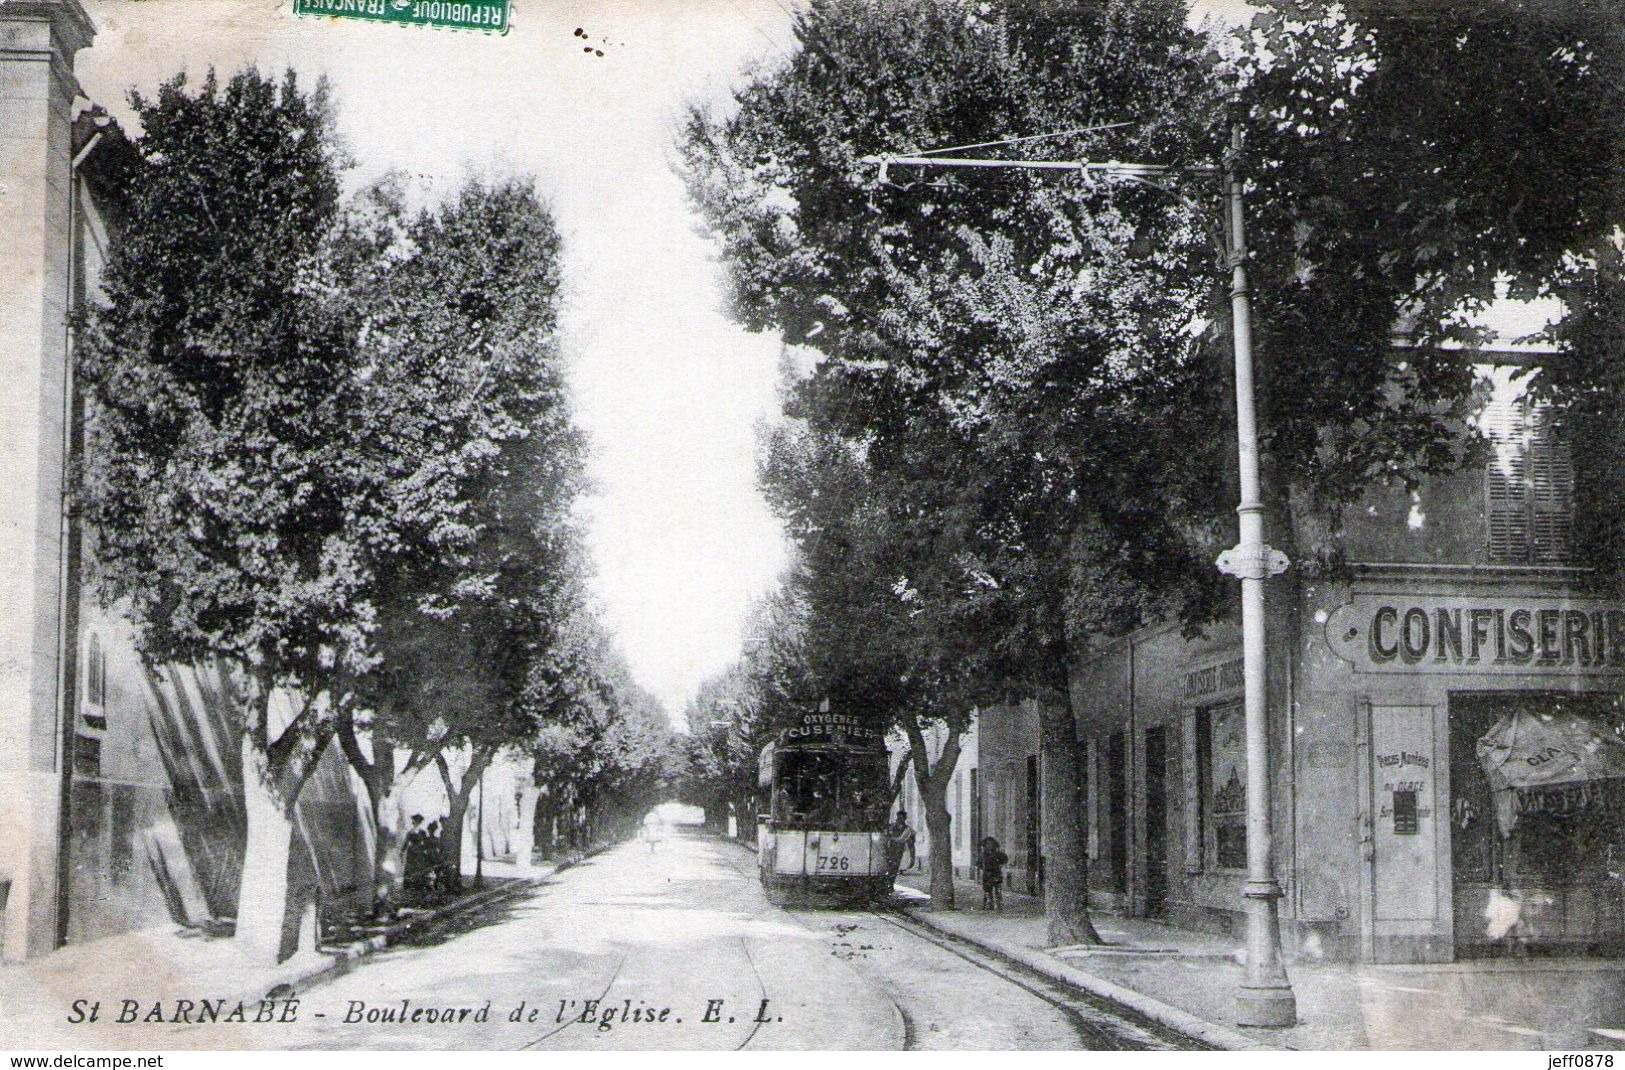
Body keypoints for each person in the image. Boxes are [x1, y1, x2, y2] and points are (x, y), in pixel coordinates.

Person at [979, 836, 1009, 912]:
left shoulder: (991, 855)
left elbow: (1005, 859)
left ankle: (992, 905)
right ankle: (994, 905)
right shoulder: (986, 855)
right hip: (992, 874)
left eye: (990, 844)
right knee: (992, 891)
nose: (989, 846)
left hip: (992, 874)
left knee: (992, 890)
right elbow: (979, 863)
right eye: (987, 845)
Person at [885, 810, 916, 886]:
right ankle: (887, 884)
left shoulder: (907, 829)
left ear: (905, 819)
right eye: (899, 817)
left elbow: (906, 842)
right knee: (887, 868)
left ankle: (890, 884)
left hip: (898, 852)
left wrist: (912, 857)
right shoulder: (891, 827)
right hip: (888, 850)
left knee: (894, 869)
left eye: (902, 818)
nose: (900, 819)